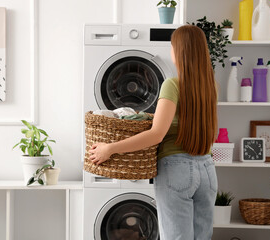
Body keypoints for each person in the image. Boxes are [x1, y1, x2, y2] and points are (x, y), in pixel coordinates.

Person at [89, 25, 218, 240]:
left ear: (180, 51)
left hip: (177, 170)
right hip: (207, 169)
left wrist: (109, 149)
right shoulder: (210, 86)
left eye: (173, 47)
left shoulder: (173, 85)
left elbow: (156, 134)